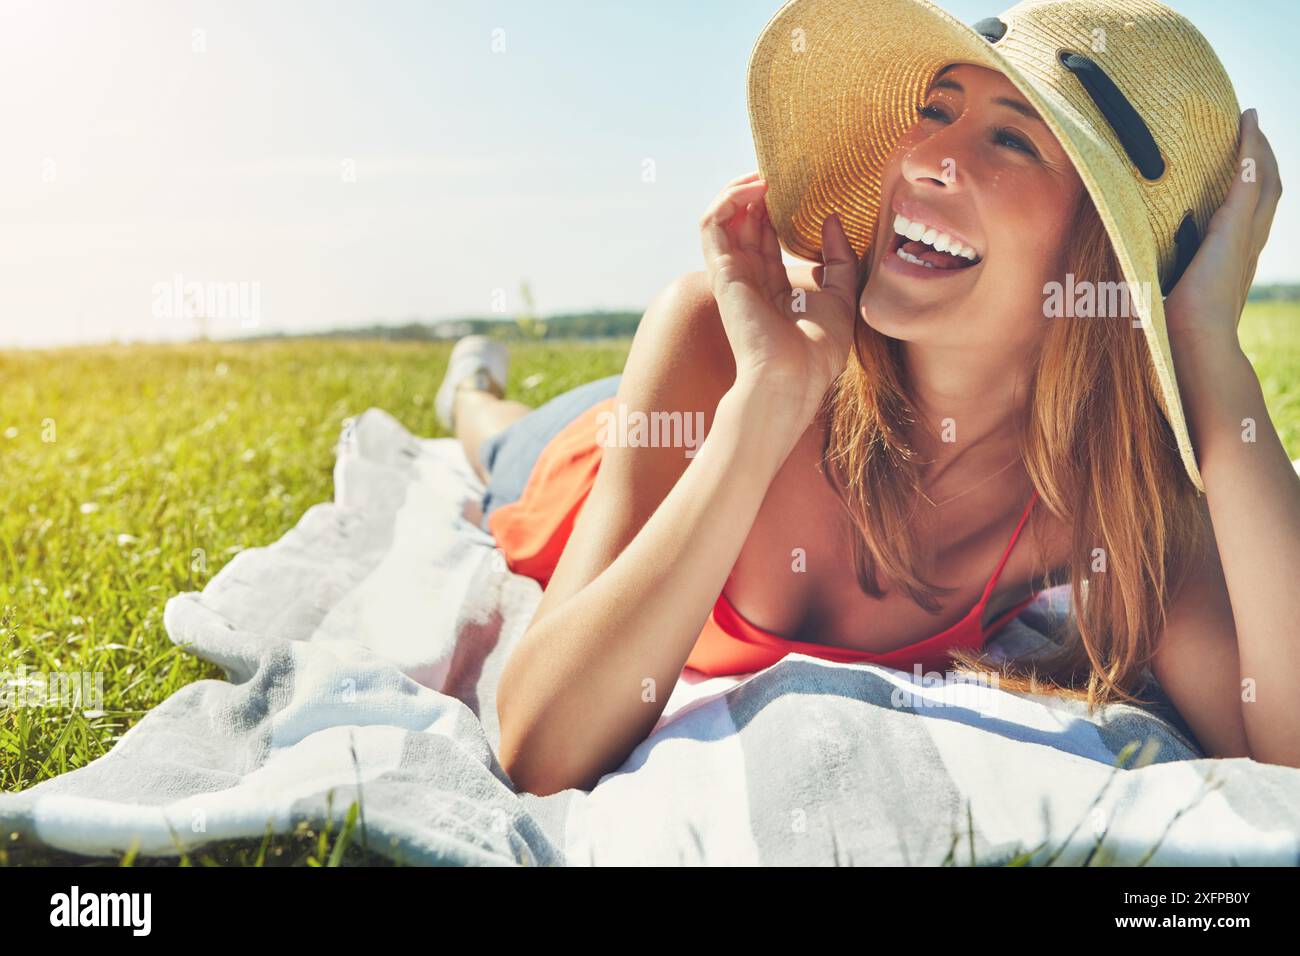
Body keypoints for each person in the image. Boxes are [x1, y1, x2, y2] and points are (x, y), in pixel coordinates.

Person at [437, 0, 1291, 796]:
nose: (921, 159)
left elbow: (1287, 748)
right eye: (936, 111)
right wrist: (763, 407)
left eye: (1011, 140)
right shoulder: (721, 339)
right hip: (598, 462)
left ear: (1103, 256)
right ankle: (473, 387)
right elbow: (540, 751)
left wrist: (1206, 348)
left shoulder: (1114, 490)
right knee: (498, 442)